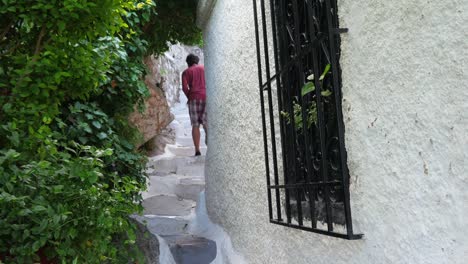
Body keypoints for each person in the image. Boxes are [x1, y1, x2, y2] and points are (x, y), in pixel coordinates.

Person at [182, 54, 207, 156]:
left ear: (188, 63)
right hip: (206, 97)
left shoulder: (186, 72)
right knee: (206, 123)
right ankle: (211, 146)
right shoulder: (204, 68)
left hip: (193, 98)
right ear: (197, 61)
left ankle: (197, 150)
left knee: (195, 125)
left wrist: (190, 96)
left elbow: (184, 88)